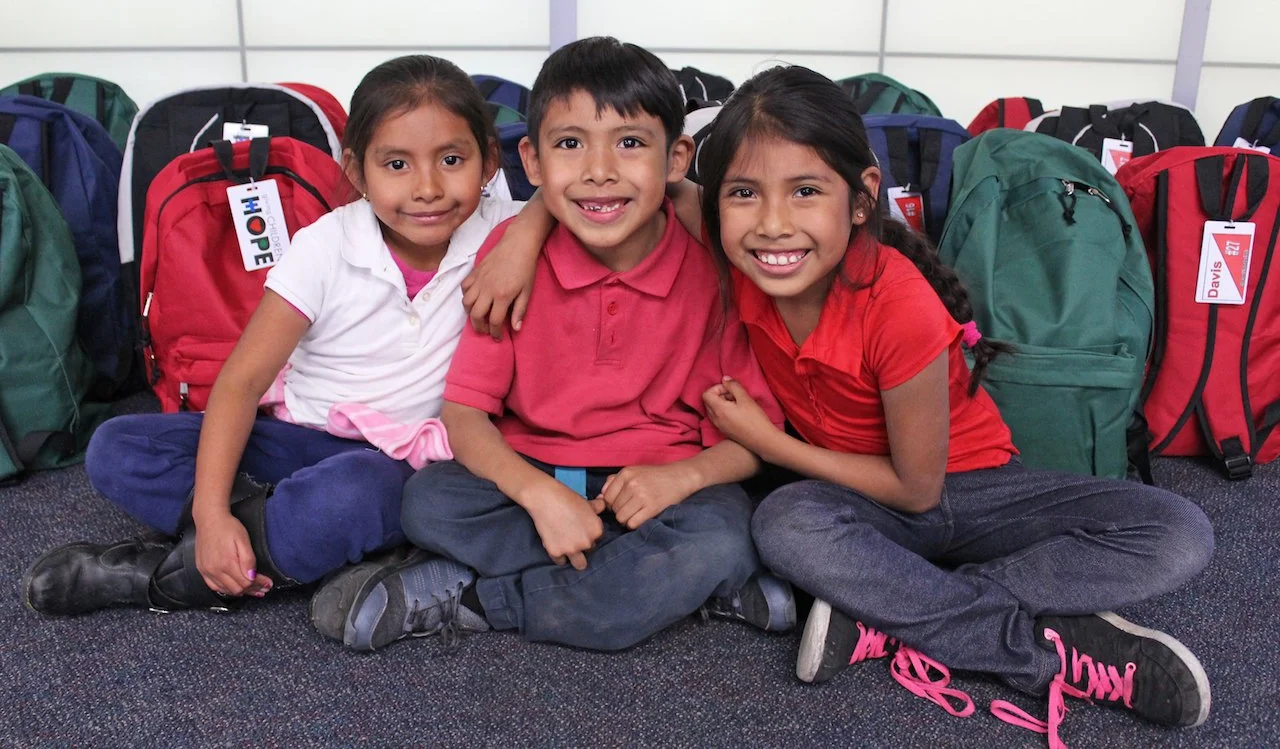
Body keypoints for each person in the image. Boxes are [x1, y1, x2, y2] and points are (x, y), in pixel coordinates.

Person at [469, 65, 1216, 744]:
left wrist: (767, 440)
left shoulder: (897, 305)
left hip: (970, 487)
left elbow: (919, 490)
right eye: (744, 194)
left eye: (806, 192)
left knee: (1180, 530)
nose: (772, 224)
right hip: (848, 505)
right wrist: (524, 231)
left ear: (860, 199)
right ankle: (1018, 639)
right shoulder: (742, 258)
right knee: (785, 522)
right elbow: (629, 191)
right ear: (717, 199)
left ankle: (902, 615)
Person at [23, 55, 533, 626]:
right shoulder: (325, 245)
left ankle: (165, 578)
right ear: (358, 174)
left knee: (364, 494)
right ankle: (259, 539)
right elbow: (241, 384)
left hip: (404, 468)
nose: (428, 187)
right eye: (396, 164)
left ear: (490, 161)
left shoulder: (503, 231)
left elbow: (567, 209)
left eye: (452, 159)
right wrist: (212, 513)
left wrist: (526, 230)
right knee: (117, 448)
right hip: (299, 440)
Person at [334, 37, 795, 654]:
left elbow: (753, 434)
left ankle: (479, 601)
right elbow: (466, 415)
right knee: (429, 502)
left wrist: (680, 478)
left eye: (630, 144)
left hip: (662, 486)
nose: (599, 171)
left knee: (725, 532)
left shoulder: (716, 267)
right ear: (532, 159)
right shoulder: (510, 260)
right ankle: (688, 586)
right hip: (535, 475)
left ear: (677, 157)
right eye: (570, 144)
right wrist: (539, 495)